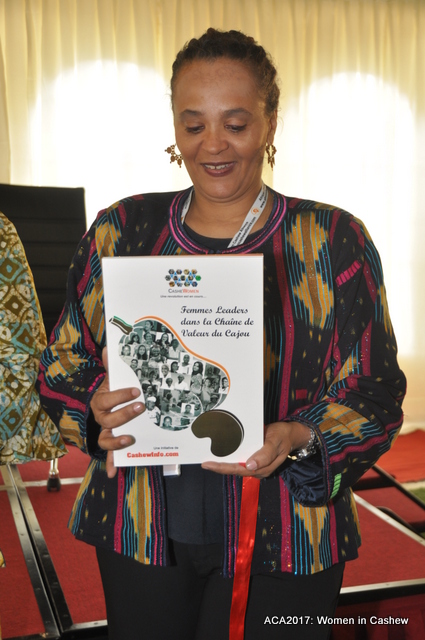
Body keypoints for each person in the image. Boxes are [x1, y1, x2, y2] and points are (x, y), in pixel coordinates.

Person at [37, 28, 406, 640]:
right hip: (142, 526)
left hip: (291, 531)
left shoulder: (331, 240)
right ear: (175, 130)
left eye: (235, 124)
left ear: (269, 123)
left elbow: (376, 390)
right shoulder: (121, 230)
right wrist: (94, 409)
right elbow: (61, 364)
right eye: (194, 125)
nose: (213, 145)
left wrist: (302, 436)